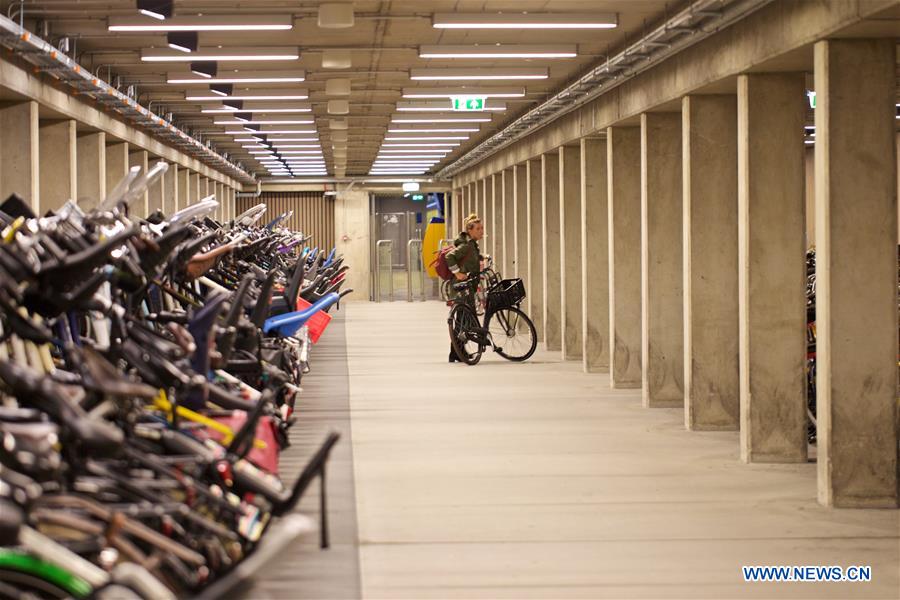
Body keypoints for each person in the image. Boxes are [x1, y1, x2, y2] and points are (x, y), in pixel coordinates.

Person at [446, 214, 484, 363]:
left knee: (462, 320)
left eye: (482, 228)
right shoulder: (467, 245)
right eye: (478, 229)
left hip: (467, 286)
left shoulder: (472, 244)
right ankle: (456, 352)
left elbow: (469, 258)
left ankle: (456, 352)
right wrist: (457, 273)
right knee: (463, 319)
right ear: (470, 230)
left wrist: (481, 257)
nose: (481, 231)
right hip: (461, 287)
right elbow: (450, 257)